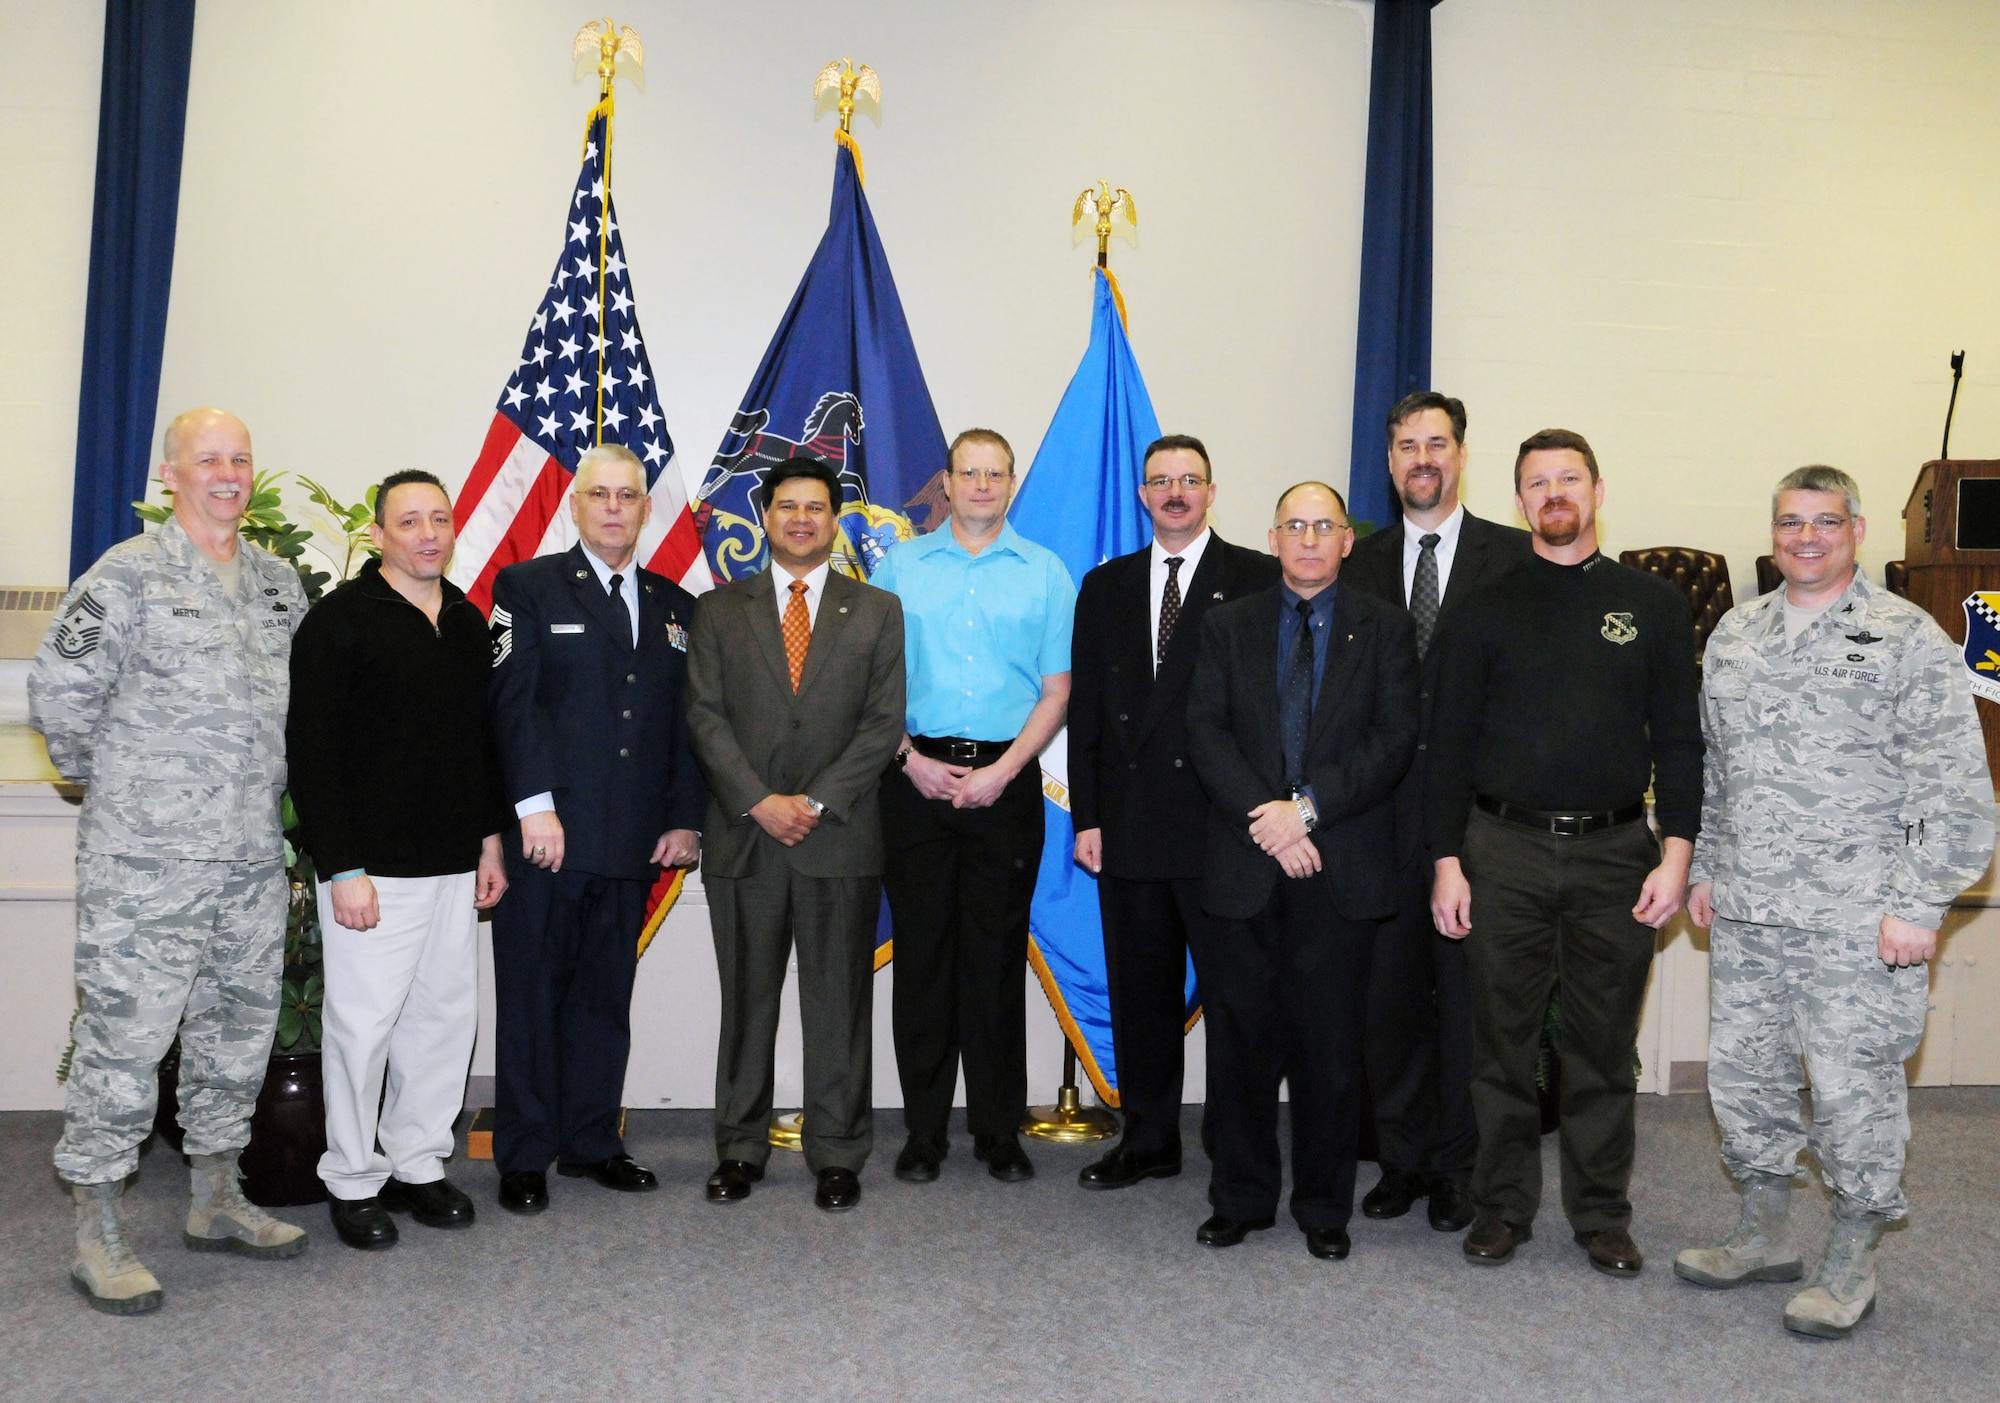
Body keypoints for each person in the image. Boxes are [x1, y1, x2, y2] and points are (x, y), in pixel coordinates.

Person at [1675, 465, 1994, 1338]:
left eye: (1824, 521)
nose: (1805, 537)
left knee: (1854, 1091)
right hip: (1749, 909)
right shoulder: (1737, 635)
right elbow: (1716, 770)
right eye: (1789, 522)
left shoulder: (1907, 638)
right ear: (1771, 532)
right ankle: (1762, 1232)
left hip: (1860, 920)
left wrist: (1921, 902)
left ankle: (1851, 1257)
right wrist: (1705, 865)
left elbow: (1958, 787)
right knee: (1747, 1080)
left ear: (1856, 529)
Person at [30, 407, 309, 1314]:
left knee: (235, 1032)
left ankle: (216, 1196)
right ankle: (97, 1227)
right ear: (171, 474)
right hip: (147, 865)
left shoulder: (277, 585)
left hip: (247, 857)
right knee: (126, 1041)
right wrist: (117, 791)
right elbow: (61, 692)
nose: (227, 473)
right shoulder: (127, 576)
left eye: (241, 457)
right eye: (209, 460)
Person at [1427, 428, 1702, 1277]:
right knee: (1501, 1045)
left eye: (1569, 479)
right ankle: (1501, 1206)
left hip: (1617, 853)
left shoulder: (1652, 605)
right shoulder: (1482, 606)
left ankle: (1600, 1214)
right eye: (1537, 482)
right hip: (1501, 849)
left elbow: (1683, 743)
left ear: (1597, 490)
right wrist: (1446, 860)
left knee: (1600, 1043)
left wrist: (1677, 854)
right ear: (1519, 500)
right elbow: (1448, 744)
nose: (1555, 494)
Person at [1185, 481, 1418, 1260]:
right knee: (1241, 1046)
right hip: (1244, 863)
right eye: (1296, 525)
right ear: (1273, 537)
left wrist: (1307, 811)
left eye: (1326, 526)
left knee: (1329, 1051)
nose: (1310, 538)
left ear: (1348, 541)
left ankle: (1324, 1206)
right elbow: (1206, 731)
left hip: (1340, 864)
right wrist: (1271, 819)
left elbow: (1392, 741)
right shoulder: (1226, 625)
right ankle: (1242, 1197)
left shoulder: (1385, 628)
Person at [285, 469, 511, 1249]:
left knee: (443, 1023)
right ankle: (352, 1178)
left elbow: (481, 745)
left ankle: (419, 1162)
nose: (427, 534)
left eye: (439, 519)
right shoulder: (339, 622)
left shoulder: (467, 617)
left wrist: (488, 842)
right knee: (362, 1029)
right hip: (370, 872)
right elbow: (311, 755)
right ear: (379, 533)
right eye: (409, 520)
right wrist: (340, 866)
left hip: (453, 863)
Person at [486, 444, 706, 1213]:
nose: (614, 507)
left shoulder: (679, 606)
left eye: (629, 495)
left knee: (604, 997)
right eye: (599, 495)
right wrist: (532, 805)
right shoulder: (528, 586)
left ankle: (590, 1140)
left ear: (647, 508)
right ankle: (522, 1152)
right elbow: (512, 706)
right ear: (575, 505)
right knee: (532, 997)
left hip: (633, 837)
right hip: (549, 835)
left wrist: (684, 816)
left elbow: (685, 725)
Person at [685, 458, 907, 1213]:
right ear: (767, 516)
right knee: (746, 1001)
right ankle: (739, 1148)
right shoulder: (717, 609)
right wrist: (759, 801)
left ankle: (838, 1151)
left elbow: (883, 726)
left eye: (816, 507)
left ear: (836, 518)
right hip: (746, 837)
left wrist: (813, 801)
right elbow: (705, 718)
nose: (802, 519)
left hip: (838, 836)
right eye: (787, 507)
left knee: (838, 1003)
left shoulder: (876, 610)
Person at [1068, 435, 1278, 1189]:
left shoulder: (1256, 576)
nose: (1175, 492)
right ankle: (1149, 1136)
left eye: (1189, 479)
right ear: (1142, 495)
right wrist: (1086, 815)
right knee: (1140, 996)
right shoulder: (1106, 585)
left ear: (1213, 491)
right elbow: (1087, 711)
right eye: (1161, 481)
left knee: (1234, 998)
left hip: (1226, 826)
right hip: (1129, 823)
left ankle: (1235, 1138)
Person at [1343, 392, 1531, 1233]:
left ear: (1462, 455)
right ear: (1389, 463)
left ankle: (1461, 1166)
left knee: (1465, 1007)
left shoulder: (1517, 559)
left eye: (1438, 443)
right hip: (1376, 823)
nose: (1423, 457)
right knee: (1387, 1005)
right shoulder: (1359, 562)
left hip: (1475, 828)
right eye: (1407, 445)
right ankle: (1402, 1160)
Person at [871, 428, 1074, 1185]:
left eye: (996, 473)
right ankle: (923, 1133)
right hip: (914, 777)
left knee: (994, 960)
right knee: (923, 958)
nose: (982, 485)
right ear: (946, 483)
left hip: (1007, 782)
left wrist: (1005, 769)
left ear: (1011, 483)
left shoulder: (1047, 573)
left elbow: (1057, 691)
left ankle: (998, 1131)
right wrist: (906, 758)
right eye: (969, 472)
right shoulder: (901, 565)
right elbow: (874, 682)